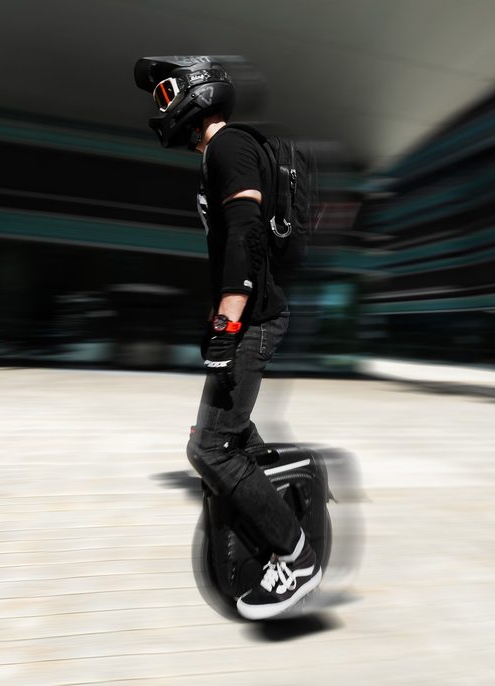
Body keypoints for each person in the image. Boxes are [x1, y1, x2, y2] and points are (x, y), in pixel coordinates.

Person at [134, 56, 321, 620]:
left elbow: (245, 235)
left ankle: (298, 558)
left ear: (199, 90)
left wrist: (228, 323)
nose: (161, 105)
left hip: (253, 320)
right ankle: (270, 503)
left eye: (166, 92)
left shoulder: (229, 147)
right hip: (252, 317)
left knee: (208, 449)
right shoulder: (226, 151)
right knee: (229, 439)